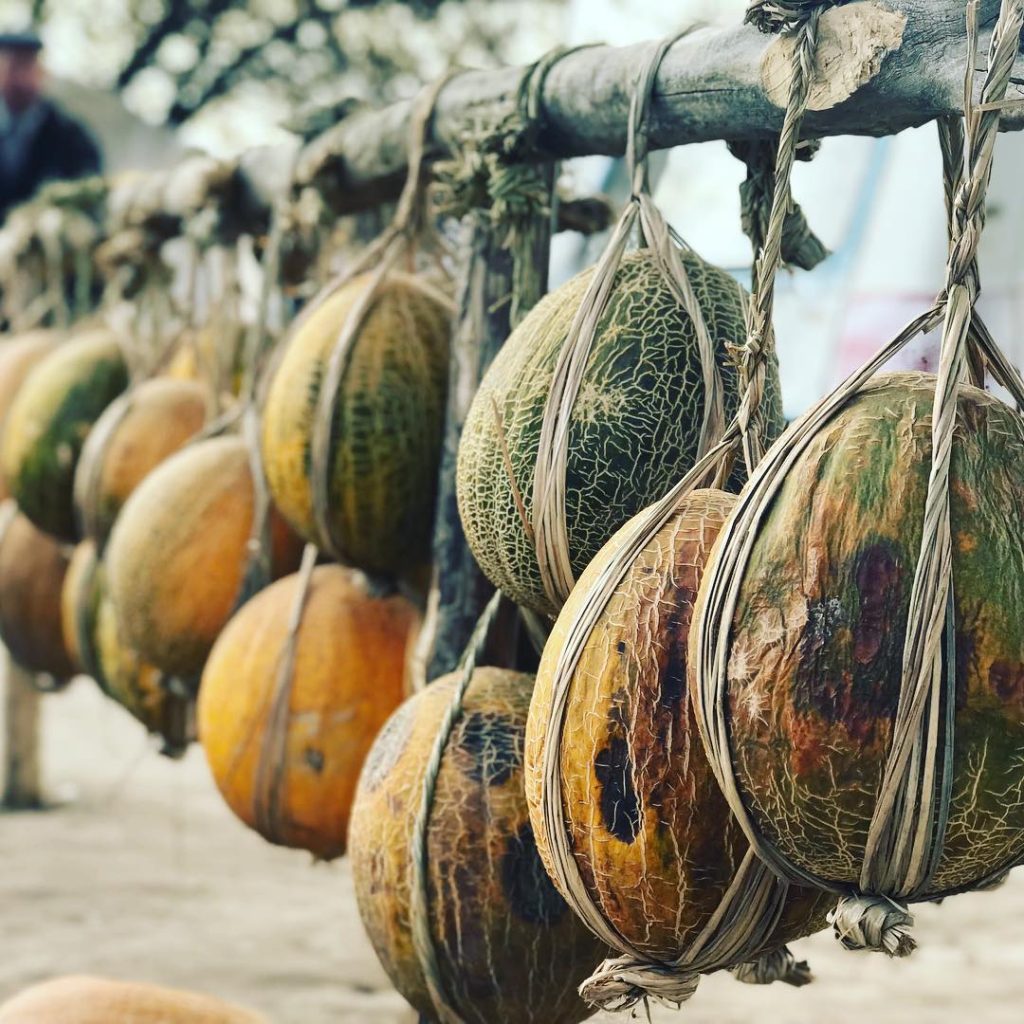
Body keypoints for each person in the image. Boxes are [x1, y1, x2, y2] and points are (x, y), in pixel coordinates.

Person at [0, 29, 102, 221]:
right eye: (13, 67)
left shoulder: (70, 137)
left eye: (27, 66)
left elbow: (88, 189)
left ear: (41, 72)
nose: (20, 79)